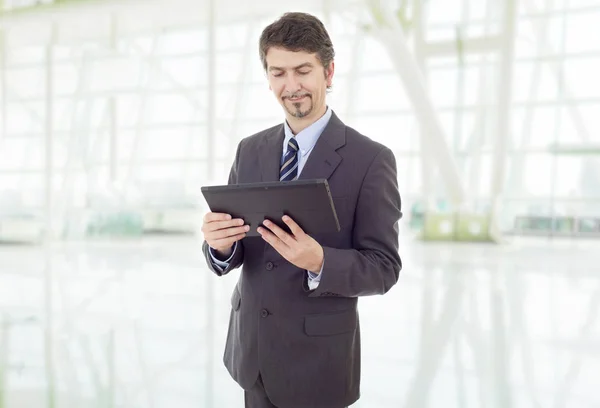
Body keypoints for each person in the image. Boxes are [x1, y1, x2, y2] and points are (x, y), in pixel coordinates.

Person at [201, 11, 402, 408]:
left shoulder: (371, 159)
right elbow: (240, 246)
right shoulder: (250, 149)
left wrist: (320, 261)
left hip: (318, 366)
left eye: (302, 71)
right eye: (278, 73)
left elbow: (384, 267)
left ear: (328, 72)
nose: (291, 86)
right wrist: (219, 246)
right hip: (252, 355)